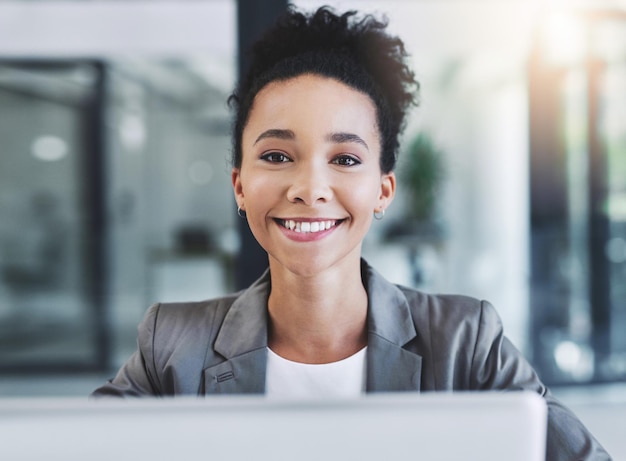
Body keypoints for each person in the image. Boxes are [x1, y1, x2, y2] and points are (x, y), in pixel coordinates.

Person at [92, 5, 611, 460]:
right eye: (276, 156)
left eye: (344, 158)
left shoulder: (465, 344)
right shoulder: (172, 348)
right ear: (240, 186)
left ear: (383, 191)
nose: (310, 188)